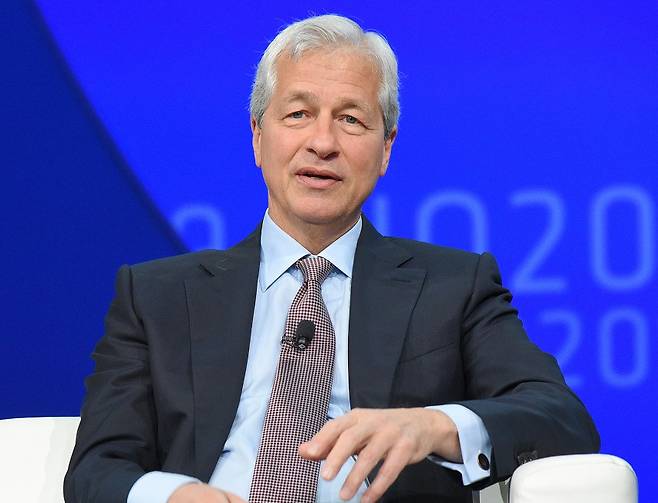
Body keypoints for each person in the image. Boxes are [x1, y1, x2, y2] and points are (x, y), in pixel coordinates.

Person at [64, 14, 599, 503]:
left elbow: (561, 417)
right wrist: (175, 496)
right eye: (298, 114)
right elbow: (96, 468)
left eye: (351, 120)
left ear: (386, 148)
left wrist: (432, 425)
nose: (322, 142)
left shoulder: (455, 287)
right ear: (257, 136)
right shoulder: (156, 296)